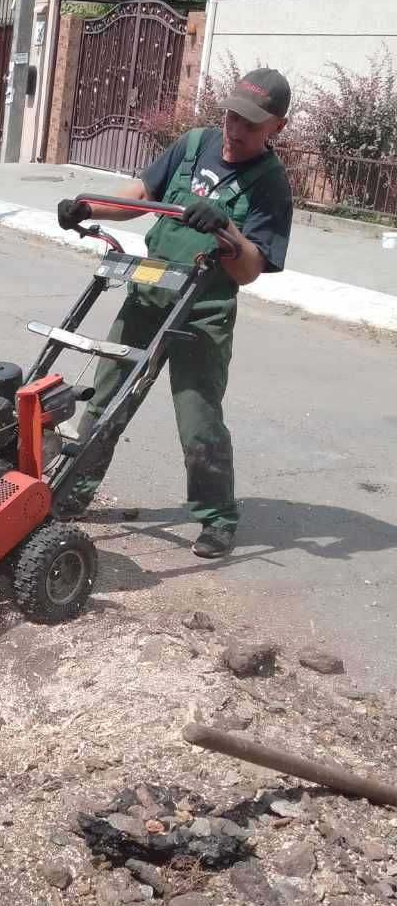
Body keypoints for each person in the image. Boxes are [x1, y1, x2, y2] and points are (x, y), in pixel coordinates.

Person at [55, 68, 293, 560]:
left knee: (199, 418)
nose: (234, 128)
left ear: (276, 127)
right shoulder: (193, 144)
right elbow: (141, 198)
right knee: (106, 400)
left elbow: (251, 269)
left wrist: (227, 231)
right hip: (149, 290)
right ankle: (70, 495)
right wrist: (88, 206)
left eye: (250, 123)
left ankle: (217, 518)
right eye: (231, 115)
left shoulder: (270, 184)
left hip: (203, 307)